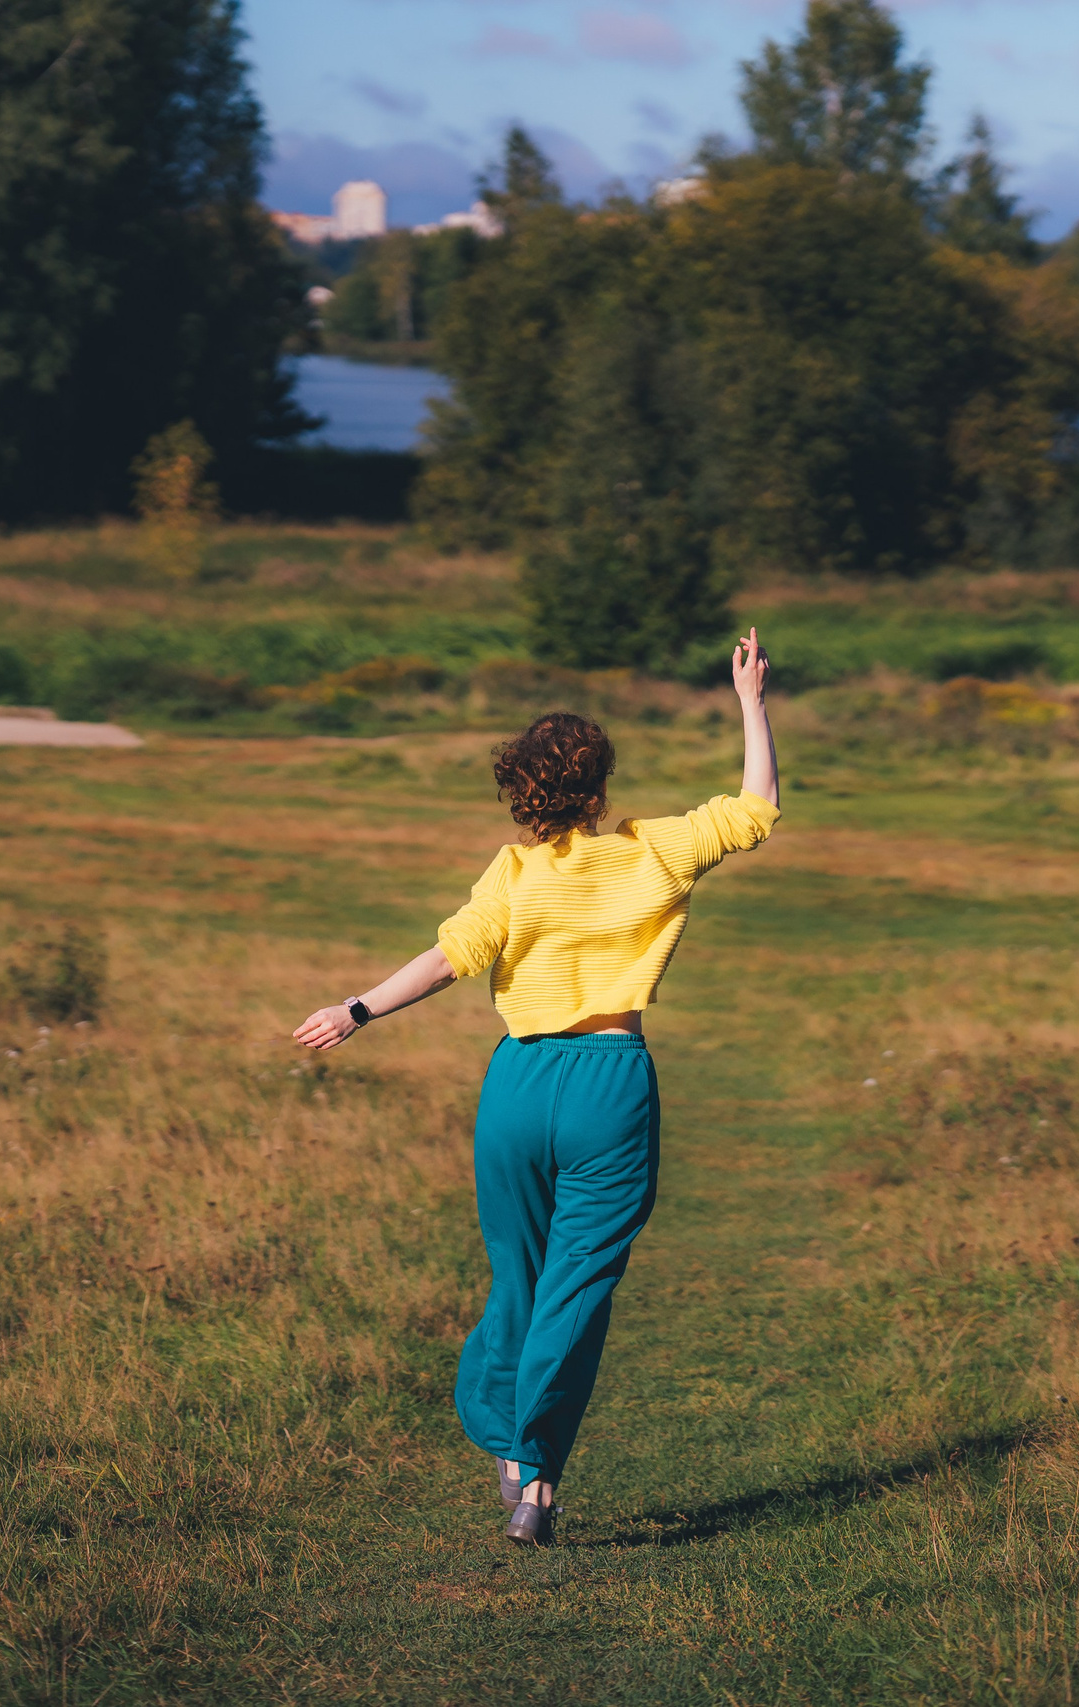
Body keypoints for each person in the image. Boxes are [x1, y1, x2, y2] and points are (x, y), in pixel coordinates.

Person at [292, 629, 781, 1546]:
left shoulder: (512, 872)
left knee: (518, 1275)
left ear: (523, 793)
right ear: (600, 789)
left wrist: (356, 1010)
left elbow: (447, 960)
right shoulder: (656, 851)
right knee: (579, 1281)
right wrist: (751, 700)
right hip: (610, 1081)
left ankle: (512, 1449)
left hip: (517, 1084)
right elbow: (758, 806)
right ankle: (539, 1479)